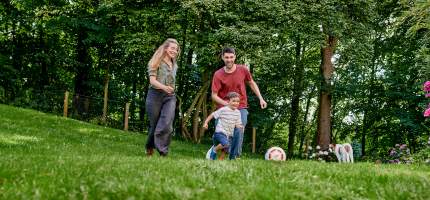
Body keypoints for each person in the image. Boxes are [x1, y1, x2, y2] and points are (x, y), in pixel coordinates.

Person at [211, 47, 267, 160]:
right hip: (223, 108)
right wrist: (226, 104)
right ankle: (215, 151)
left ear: (235, 57)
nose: (229, 60)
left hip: (240, 106)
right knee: (221, 134)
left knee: (239, 129)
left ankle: (234, 157)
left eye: (231, 57)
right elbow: (214, 95)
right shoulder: (218, 74)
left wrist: (261, 98)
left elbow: (251, 83)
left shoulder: (243, 70)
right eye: (226, 57)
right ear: (222, 58)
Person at [145, 38, 180, 157]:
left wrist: (170, 88)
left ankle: (163, 152)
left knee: (167, 123)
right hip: (155, 95)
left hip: (169, 97)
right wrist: (164, 87)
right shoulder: (155, 61)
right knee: (154, 125)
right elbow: (152, 81)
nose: (174, 51)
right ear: (165, 48)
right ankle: (150, 147)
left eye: (176, 49)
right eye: (172, 48)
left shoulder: (174, 64)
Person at [203, 92, 243, 160]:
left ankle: (218, 161)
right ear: (228, 101)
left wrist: (240, 126)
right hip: (220, 133)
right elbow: (213, 114)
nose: (236, 103)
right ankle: (214, 149)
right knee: (226, 144)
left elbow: (237, 123)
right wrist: (206, 123)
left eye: (238, 101)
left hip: (229, 134)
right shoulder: (224, 110)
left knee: (226, 149)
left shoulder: (238, 113)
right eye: (233, 101)